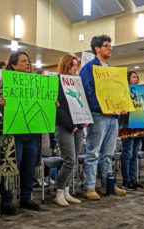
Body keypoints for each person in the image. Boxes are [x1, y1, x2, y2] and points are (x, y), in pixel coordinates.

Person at [0, 51, 41, 215]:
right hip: (12, 134)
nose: (28, 64)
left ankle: (26, 199)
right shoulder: (4, 82)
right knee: (10, 168)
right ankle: (6, 202)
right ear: (13, 65)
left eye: (28, 61)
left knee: (29, 167)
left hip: (31, 133)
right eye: (23, 61)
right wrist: (0, 103)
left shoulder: (35, 82)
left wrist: (51, 104)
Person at [80, 35, 126, 200]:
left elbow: (118, 92)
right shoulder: (88, 68)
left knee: (108, 154)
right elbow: (87, 92)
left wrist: (122, 106)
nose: (110, 48)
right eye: (107, 45)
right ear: (97, 49)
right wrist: (102, 107)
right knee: (93, 152)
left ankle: (108, 185)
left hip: (113, 116)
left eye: (110, 45)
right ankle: (88, 187)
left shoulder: (111, 70)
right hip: (98, 115)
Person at [54, 54, 88, 206]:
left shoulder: (76, 83)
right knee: (69, 160)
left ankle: (66, 192)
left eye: (76, 65)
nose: (75, 68)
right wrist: (71, 124)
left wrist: (83, 120)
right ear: (65, 66)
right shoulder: (57, 82)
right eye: (73, 65)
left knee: (73, 161)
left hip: (78, 126)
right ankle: (59, 193)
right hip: (64, 126)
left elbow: (81, 103)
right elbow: (58, 109)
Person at [119, 71, 144, 190]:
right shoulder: (123, 93)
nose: (136, 79)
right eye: (133, 77)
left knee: (134, 154)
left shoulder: (141, 93)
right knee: (128, 153)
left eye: (137, 77)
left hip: (139, 124)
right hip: (127, 125)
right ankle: (126, 180)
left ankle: (133, 178)